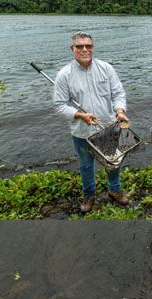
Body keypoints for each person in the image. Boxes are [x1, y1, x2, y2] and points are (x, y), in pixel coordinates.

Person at [53, 31, 130, 213]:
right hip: (82, 131)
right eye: (79, 46)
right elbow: (59, 105)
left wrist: (120, 111)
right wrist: (80, 115)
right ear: (72, 49)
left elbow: (118, 93)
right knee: (86, 165)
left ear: (93, 47)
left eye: (88, 46)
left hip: (108, 126)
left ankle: (115, 190)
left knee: (113, 160)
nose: (84, 49)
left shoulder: (106, 68)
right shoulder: (64, 75)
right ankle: (89, 195)